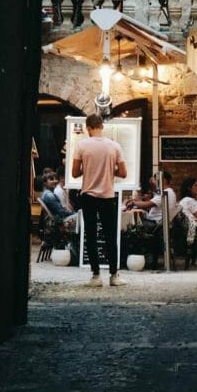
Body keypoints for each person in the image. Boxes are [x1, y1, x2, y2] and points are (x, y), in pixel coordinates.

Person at [71, 113, 128, 287]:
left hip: (88, 196)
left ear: (88, 128)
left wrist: (87, 169)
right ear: (102, 126)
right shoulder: (114, 146)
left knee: (91, 235)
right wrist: (110, 171)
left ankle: (96, 276)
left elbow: (74, 173)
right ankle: (114, 275)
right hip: (107, 196)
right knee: (110, 236)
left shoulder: (81, 145)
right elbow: (123, 173)